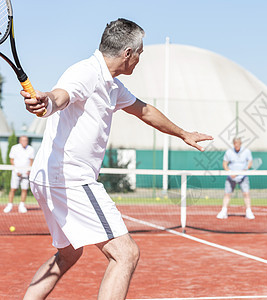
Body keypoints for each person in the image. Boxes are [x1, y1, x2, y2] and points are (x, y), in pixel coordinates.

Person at [21, 18, 212, 300]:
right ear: (127, 54)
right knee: (126, 253)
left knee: (68, 254)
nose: (139, 59)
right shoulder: (86, 72)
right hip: (70, 179)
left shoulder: (112, 85)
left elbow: (144, 111)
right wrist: (45, 101)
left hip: (48, 177)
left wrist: (183, 133)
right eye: (140, 53)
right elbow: (60, 96)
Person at [216, 137, 255, 220]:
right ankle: (224, 211)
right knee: (227, 194)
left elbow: (250, 162)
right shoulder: (229, 152)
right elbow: (224, 164)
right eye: (235, 144)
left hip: (243, 177)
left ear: (241, 144)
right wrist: (230, 172)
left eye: (238, 144)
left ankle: (249, 212)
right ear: (233, 144)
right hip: (231, 177)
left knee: (246, 193)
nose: (237, 145)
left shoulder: (246, 151)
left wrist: (244, 170)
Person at [3, 135, 35, 214]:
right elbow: (11, 159)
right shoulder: (14, 148)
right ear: (20, 141)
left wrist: (29, 170)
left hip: (26, 172)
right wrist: (16, 170)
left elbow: (31, 160)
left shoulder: (31, 149)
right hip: (16, 172)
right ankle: (9, 205)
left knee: (24, 189)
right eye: (23, 140)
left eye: (26, 140)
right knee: (13, 189)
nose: (24, 142)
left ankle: (22, 206)